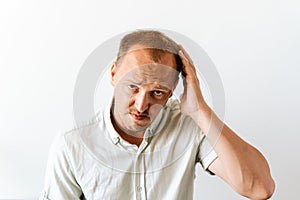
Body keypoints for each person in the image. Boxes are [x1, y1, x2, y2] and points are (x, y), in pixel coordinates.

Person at [40, 30, 275, 200]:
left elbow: (259, 188)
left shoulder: (189, 125)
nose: (142, 105)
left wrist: (200, 109)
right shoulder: (72, 144)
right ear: (113, 74)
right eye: (132, 86)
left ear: (174, 89)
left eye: (158, 92)